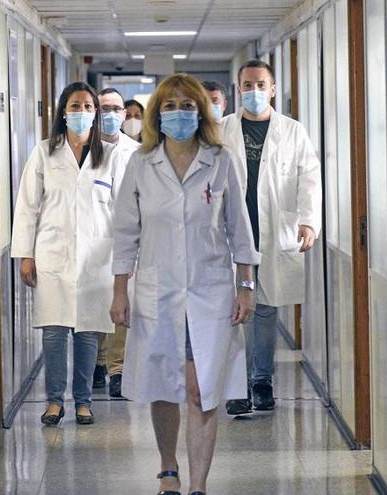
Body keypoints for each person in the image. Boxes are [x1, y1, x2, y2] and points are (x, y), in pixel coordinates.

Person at [110, 74, 260, 495]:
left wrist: (246, 285)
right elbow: (125, 232)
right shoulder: (141, 163)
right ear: (158, 113)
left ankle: (199, 486)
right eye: (170, 106)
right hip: (159, 291)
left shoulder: (220, 160)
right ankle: (168, 466)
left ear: (202, 112)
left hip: (210, 291)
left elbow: (239, 229)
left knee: (201, 390)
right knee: (163, 386)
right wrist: (119, 289)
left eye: (187, 106)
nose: (179, 113)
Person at [11, 82, 120, 427]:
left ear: (96, 113)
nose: (82, 113)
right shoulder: (45, 152)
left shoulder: (109, 155)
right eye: (75, 106)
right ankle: (55, 402)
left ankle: (84, 402)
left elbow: (122, 212)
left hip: (96, 257)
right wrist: (25, 255)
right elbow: (27, 206)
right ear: (63, 112)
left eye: (88, 107)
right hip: (52, 254)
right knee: (55, 333)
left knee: (87, 332)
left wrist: (123, 263)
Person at [220, 60, 322, 415]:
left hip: (273, 233)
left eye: (261, 84)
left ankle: (261, 381)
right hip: (230, 235)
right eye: (247, 85)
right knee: (231, 311)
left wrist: (308, 221)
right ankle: (235, 385)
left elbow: (309, 178)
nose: (254, 92)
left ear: (273, 89)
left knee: (264, 310)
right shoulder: (221, 130)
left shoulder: (293, 131)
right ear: (238, 89)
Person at [93, 87, 140, 398]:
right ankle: (97, 362)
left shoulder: (137, 152)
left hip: (126, 239)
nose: (110, 115)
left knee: (121, 307)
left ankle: (117, 370)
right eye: (104, 109)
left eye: (115, 109)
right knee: (94, 304)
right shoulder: (84, 150)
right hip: (92, 240)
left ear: (123, 114)